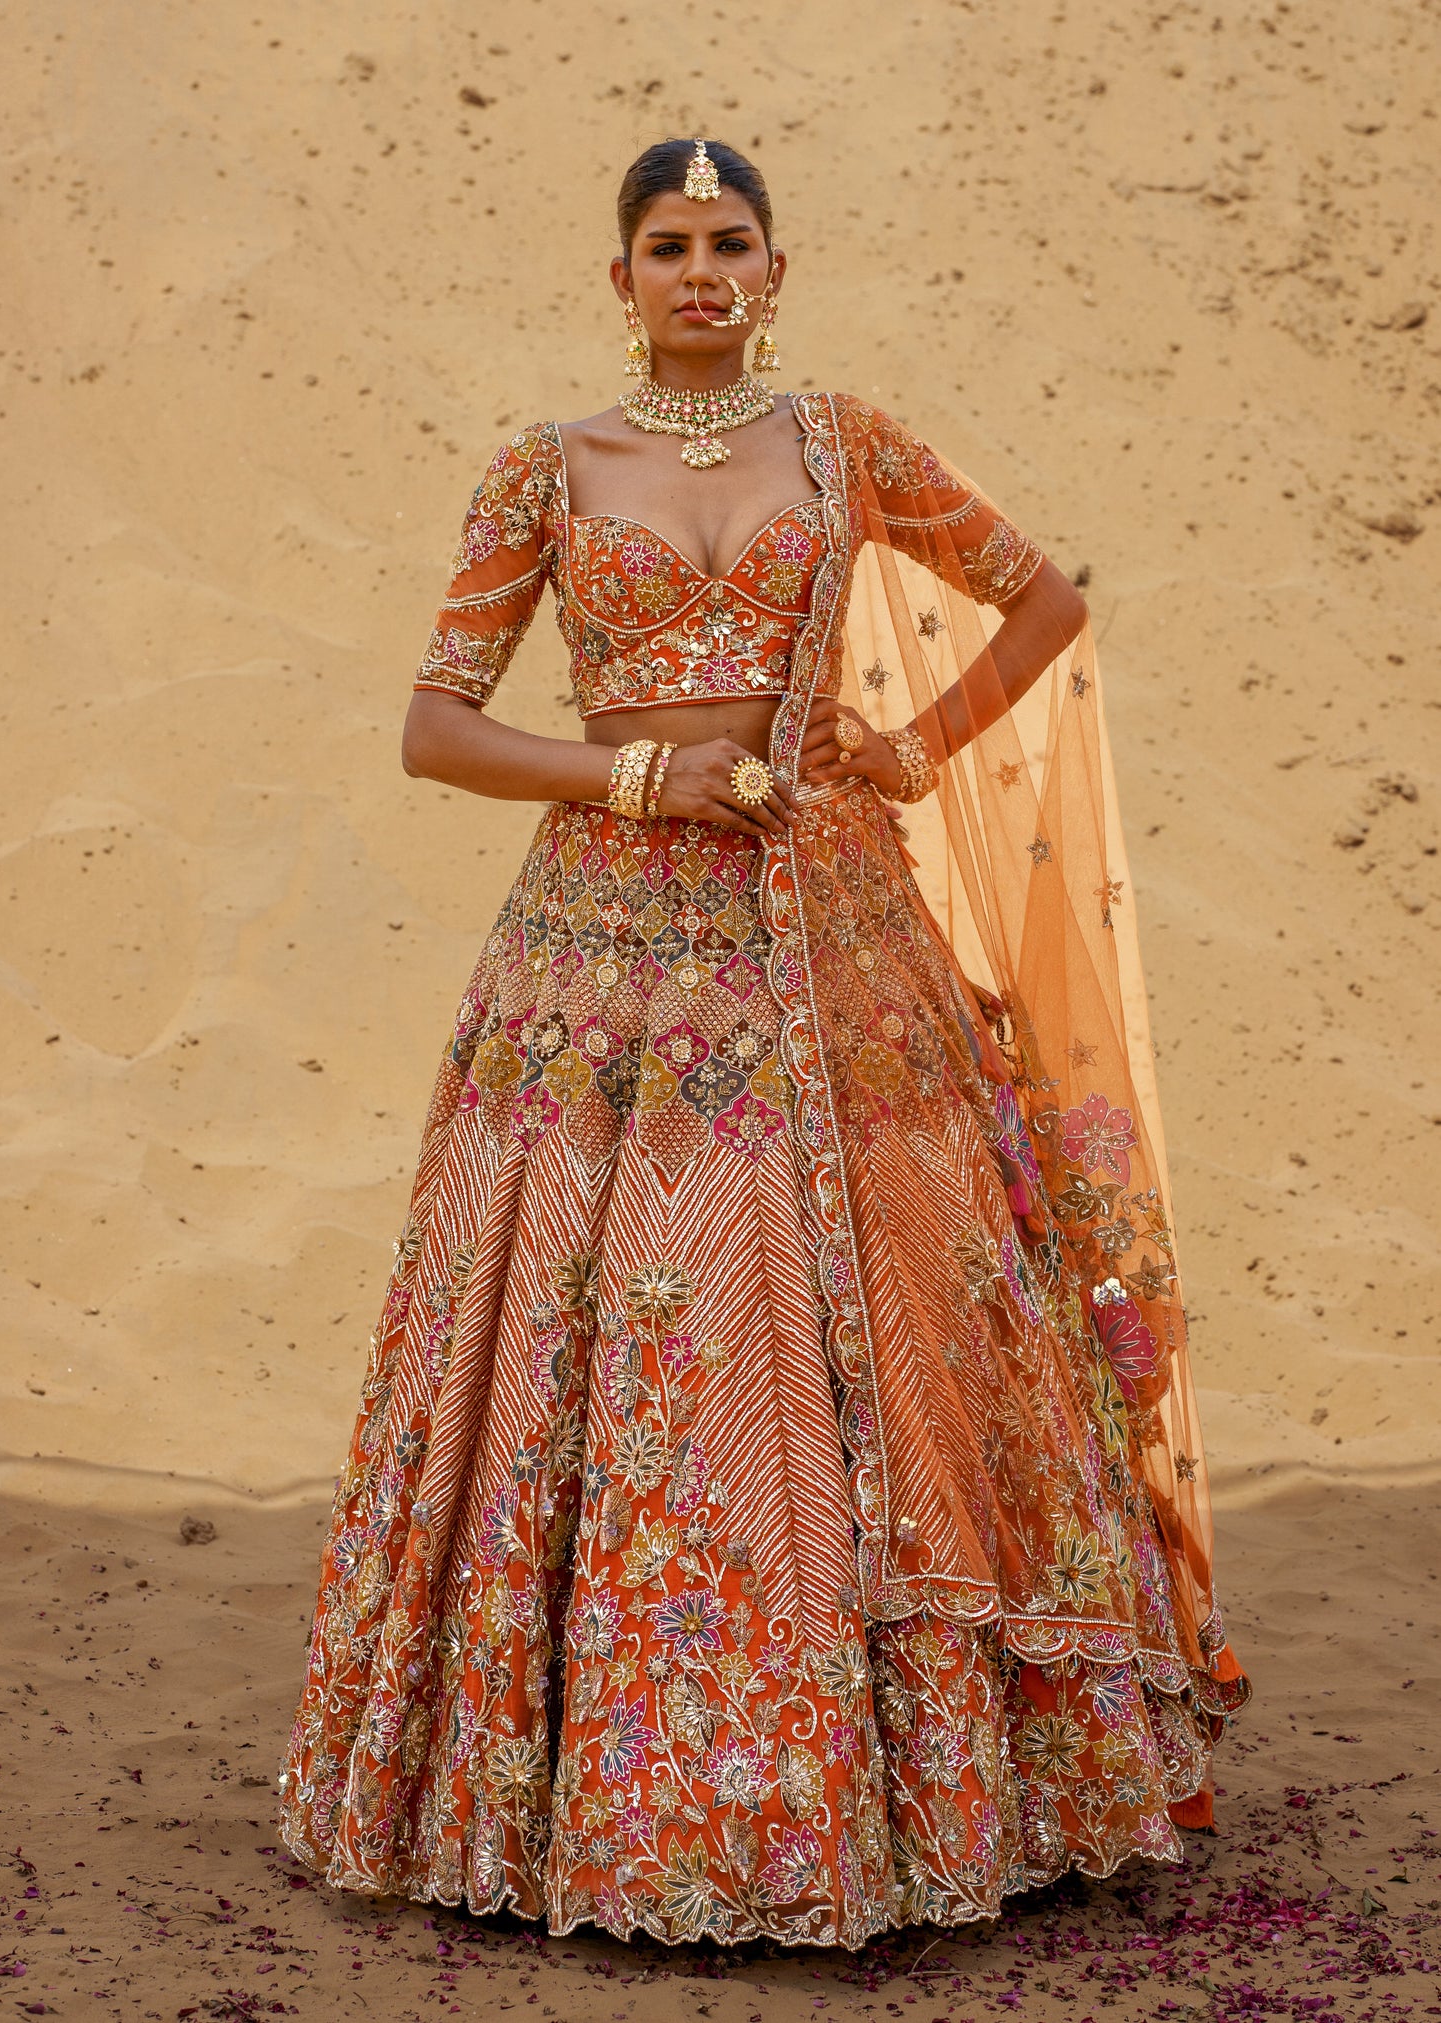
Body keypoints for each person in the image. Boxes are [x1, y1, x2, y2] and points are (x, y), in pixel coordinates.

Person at [278, 136, 1249, 1949]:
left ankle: (927, 1776)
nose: (702, 271)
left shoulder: (847, 443)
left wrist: (915, 745)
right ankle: (619, 1781)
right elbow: (436, 728)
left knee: (869, 1302)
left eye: (731, 242)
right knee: (634, 1313)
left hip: (830, 923)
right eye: (668, 245)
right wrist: (632, 775)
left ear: (775, 271)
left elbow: (1044, 598)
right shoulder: (548, 467)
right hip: (602, 948)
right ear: (621, 278)